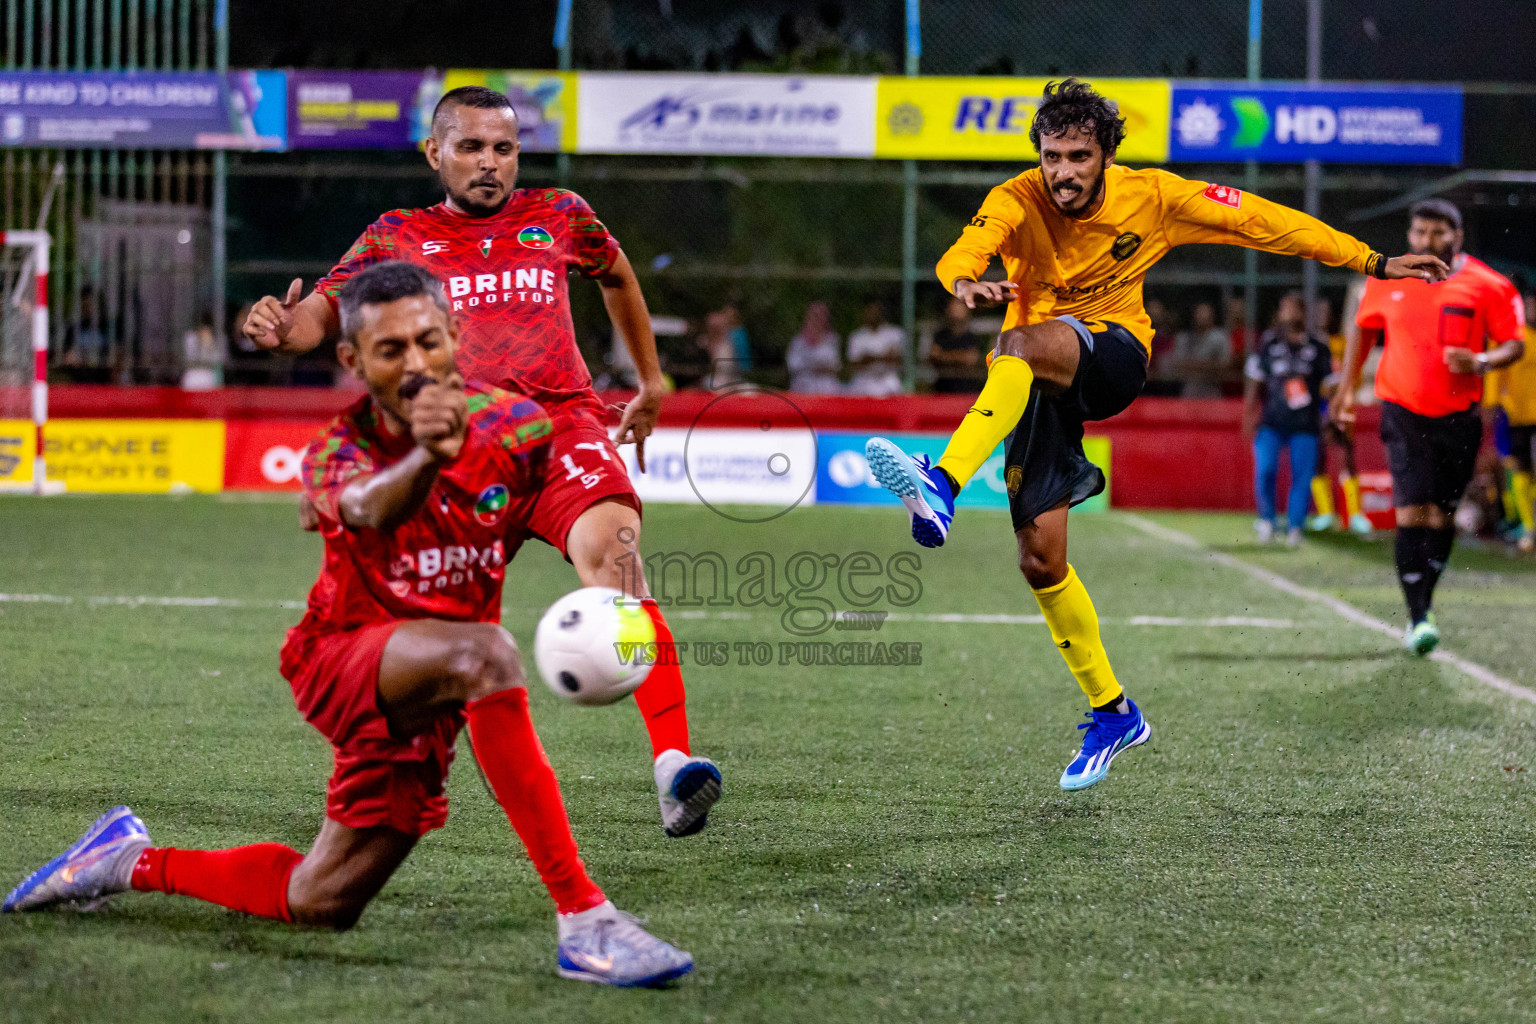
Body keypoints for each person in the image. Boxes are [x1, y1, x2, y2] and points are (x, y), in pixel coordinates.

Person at [3, 262, 695, 988]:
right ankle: (586, 922)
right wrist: (428, 459)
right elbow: (368, 505)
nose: (417, 363)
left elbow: (560, 509)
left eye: (429, 341)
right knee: (488, 654)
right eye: (390, 351)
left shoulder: (519, 429)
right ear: (353, 361)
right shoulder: (339, 451)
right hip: (342, 660)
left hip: (429, 697)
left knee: (321, 898)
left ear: (457, 336)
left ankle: (123, 861)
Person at [863, 78, 1445, 791]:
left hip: (1112, 353)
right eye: (1051, 156)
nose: (1063, 172)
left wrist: (1374, 262)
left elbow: (1263, 221)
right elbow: (966, 248)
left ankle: (942, 482)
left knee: (1015, 348)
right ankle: (1114, 712)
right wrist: (962, 283)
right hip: (1035, 382)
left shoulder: (1157, 197)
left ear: (1106, 153)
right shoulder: (1017, 197)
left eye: (1078, 156)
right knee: (1040, 561)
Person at [241, 86, 720, 838]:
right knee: (448, 639)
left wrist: (653, 380)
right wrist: (276, 323)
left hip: (562, 425)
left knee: (617, 559)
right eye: (470, 146)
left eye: (503, 147)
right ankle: (382, 787)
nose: (489, 162)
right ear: (436, 153)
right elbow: (324, 314)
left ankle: (673, 766)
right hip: (458, 452)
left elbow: (619, 276)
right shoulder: (396, 234)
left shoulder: (559, 213)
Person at [1335, 199, 1526, 655]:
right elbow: (1363, 330)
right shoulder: (1387, 279)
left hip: (1460, 418)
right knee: (1411, 510)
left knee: (1442, 517)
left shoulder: (1490, 286)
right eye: (1419, 233)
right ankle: (1418, 615)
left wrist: (1480, 360)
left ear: (1456, 237)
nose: (1426, 242)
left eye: (1437, 233)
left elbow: (1513, 345)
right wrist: (1344, 391)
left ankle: (1424, 603)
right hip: (1402, 411)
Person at [1243, 293, 1330, 546]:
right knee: (1265, 469)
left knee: (1302, 476)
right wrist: (1249, 415)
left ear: (1304, 313)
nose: (1290, 314)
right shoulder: (1268, 343)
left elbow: (1330, 386)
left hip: (1305, 423)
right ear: (1279, 313)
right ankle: (1267, 521)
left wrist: (1331, 416)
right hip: (1271, 420)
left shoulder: (1318, 346)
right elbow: (1255, 381)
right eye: (1286, 309)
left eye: (1296, 309)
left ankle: (1295, 527)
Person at [1482, 290, 1536, 552]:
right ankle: (1526, 525)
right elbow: (1496, 372)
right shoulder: (1514, 337)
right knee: (1520, 467)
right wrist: (1491, 403)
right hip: (1518, 415)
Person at [845, 298, 906, 397]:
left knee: (894, 386)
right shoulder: (857, 336)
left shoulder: (895, 333)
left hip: (887, 378)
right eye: (870, 311)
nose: (873, 314)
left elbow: (897, 359)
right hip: (864, 380)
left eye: (876, 311)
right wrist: (882, 357)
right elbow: (853, 363)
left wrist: (871, 358)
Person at [1170, 300, 1232, 398]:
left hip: (1213, 391)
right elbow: (1177, 364)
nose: (1202, 316)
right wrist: (1209, 363)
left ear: (1212, 316)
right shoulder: (1183, 338)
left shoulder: (1220, 337)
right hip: (1189, 391)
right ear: (1193, 316)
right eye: (1199, 313)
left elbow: (1225, 364)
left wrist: (1194, 365)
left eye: (1205, 313)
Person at [928, 295, 985, 393]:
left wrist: (945, 356)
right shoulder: (940, 335)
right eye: (953, 305)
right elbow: (934, 357)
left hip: (966, 390)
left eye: (959, 306)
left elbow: (971, 359)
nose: (956, 309)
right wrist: (960, 357)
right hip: (942, 389)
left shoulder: (971, 336)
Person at [785, 301, 843, 393]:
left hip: (827, 386)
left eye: (820, 316)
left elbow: (836, 365)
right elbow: (792, 365)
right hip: (803, 385)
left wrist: (821, 368)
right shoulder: (798, 341)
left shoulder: (832, 340)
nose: (817, 320)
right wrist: (813, 366)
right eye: (814, 316)